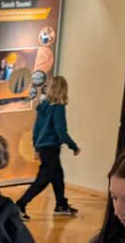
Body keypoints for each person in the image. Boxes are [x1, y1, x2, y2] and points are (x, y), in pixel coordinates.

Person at [16, 75, 80, 220]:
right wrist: (73, 146)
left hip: (44, 149)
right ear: (63, 90)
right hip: (51, 149)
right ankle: (19, 205)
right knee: (43, 180)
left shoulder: (43, 108)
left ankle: (61, 205)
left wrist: (36, 147)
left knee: (58, 177)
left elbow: (36, 130)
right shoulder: (58, 108)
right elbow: (61, 132)